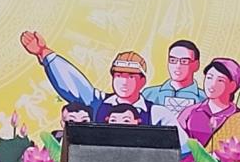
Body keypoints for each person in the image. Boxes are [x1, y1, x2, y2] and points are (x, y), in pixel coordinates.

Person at [20, 31, 161, 124]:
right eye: (118, 75)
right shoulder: (99, 103)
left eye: (130, 77)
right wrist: (43, 52)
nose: (123, 82)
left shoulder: (155, 113)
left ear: (142, 81)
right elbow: (73, 84)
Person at [177, 58, 240, 145]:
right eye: (209, 78)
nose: (212, 84)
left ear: (232, 86)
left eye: (220, 80)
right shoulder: (189, 113)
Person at [142, 39, 204, 115]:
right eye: (173, 60)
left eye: (184, 61)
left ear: (196, 65)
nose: (178, 66)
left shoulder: (204, 98)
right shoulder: (149, 94)